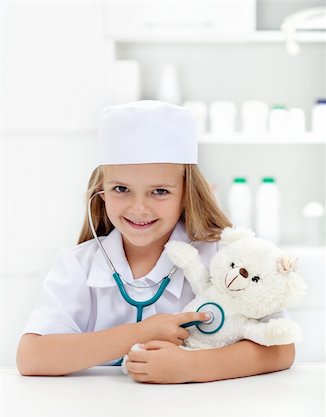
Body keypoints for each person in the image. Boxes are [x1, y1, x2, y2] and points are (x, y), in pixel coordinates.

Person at [16, 100, 295, 383]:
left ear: (187, 193)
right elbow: (32, 357)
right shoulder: (78, 266)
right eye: (121, 189)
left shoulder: (223, 259)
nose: (139, 209)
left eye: (159, 191)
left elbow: (282, 348)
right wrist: (142, 332)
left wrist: (193, 366)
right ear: (101, 192)